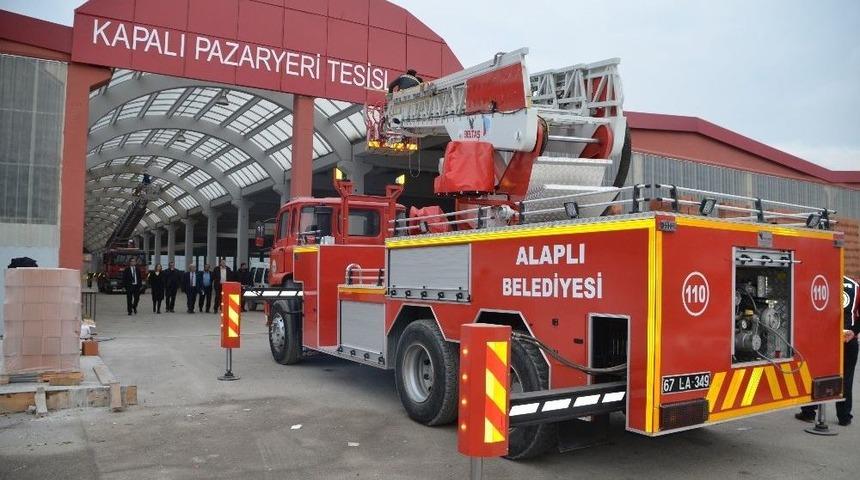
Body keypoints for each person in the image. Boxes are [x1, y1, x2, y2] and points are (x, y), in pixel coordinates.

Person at [796, 275, 859, 426]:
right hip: (848, 338)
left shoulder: (819, 282)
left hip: (823, 339)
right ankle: (844, 417)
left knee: (816, 373)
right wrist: (854, 332)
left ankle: (809, 412)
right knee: (847, 378)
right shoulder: (855, 286)